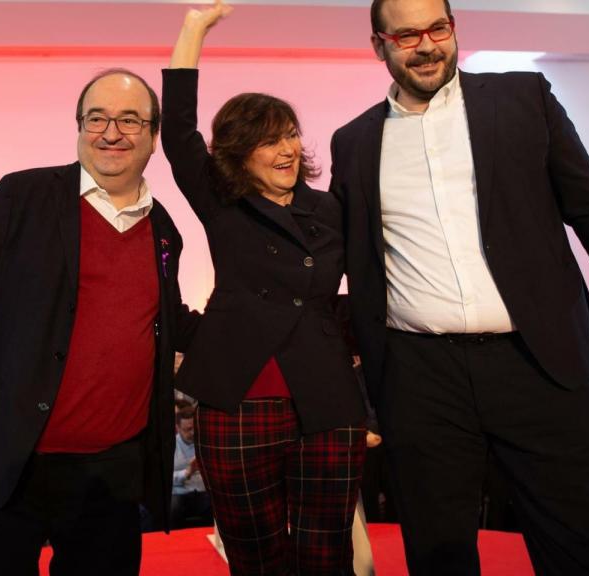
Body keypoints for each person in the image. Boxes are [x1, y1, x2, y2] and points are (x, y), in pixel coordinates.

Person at [328, 0, 589, 572]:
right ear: (379, 44)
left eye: (438, 28)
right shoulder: (353, 142)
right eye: (407, 35)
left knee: (580, 547)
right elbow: (344, 256)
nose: (428, 45)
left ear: (453, 29)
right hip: (419, 376)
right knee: (439, 554)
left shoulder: (524, 99)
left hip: (538, 363)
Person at [0, 67, 197, 576]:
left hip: (112, 470)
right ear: (78, 127)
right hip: (11, 455)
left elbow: (167, 318)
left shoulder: (163, 229)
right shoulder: (21, 196)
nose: (111, 132)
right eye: (97, 118)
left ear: (154, 136)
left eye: (130, 120)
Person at [162, 4, 367, 572]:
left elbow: (364, 292)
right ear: (237, 151)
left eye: (292, 135)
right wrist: (194, 27)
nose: (287, 149)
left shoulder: (330, 209)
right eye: (269, 140)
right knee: (255, 555)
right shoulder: (222, 203)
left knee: (326, 553)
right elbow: (178, 130)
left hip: (325, 399)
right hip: (237, 400)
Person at [170, 407, 210, 528]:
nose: (192, 433)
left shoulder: (205, 442)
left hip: (202, 491)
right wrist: (187, 472)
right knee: (173, 509)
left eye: (195, 428)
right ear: (177, 428)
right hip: (179, 493)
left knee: (218, 506)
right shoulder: (171, 446)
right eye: (188, 429)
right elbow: (162, 478)